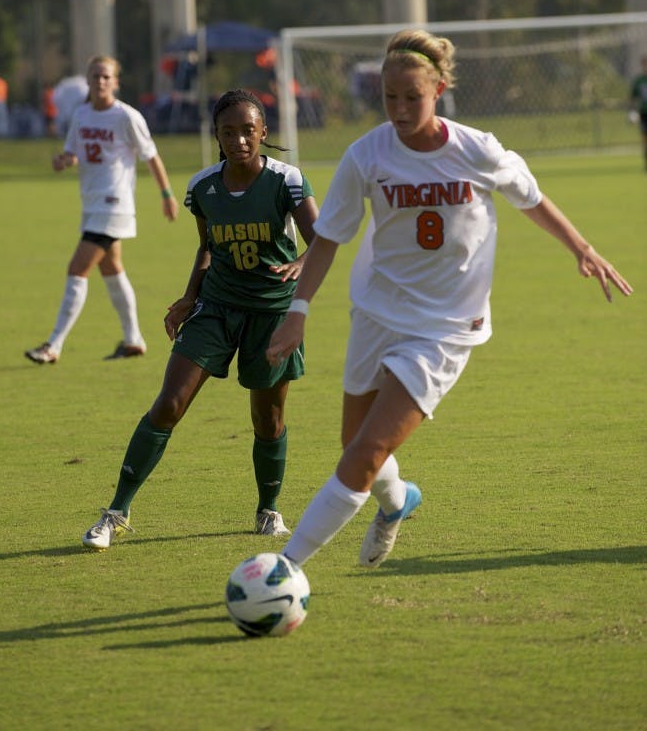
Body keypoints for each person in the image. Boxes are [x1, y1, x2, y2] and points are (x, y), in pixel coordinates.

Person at [266, 28, 633, 570]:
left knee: (366, 454)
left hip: (445, 326)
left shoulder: (477, 149)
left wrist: (582, 247)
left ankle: (284, 569)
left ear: (439, 89)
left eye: (412, 97)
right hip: (375, 312)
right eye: (390, 97)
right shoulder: (365, 155)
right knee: (356, 449)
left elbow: (530, 198)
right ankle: (398, 503)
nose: (399, 108)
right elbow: (329, 240)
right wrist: (297, 312)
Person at [81, 88, 319, 549]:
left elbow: (322, 239)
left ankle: (268, 509)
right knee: (169, 403)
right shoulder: (203, 187)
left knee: (267, 421)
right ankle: (116, 511)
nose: (239, 140)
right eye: (228, 132)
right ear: (217, 135)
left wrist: (301, 264)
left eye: (248, 130)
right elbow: (208, 246)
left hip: (271, 312)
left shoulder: (287, 181)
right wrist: (189, 296)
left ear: (263, 132)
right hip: (216, 307)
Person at [25, 55, 179, 365]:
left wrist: (167, 194)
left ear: (116, 82)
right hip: (92, 204)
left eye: (106, 77)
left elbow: (151, 157)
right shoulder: (81, 115)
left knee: (77, 269)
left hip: (115, 203)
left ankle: (53, 345)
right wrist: (63, 161)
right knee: (112, 271)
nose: (100, 81)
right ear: (88, 80)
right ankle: (134, 339)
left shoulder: (126, 116)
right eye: (95, 76)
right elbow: (73, 154)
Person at [629, 54, 647, 171]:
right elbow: (633, 98)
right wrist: (632, 112)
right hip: (644, 113)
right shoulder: (639, 81)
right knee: (645, 139)